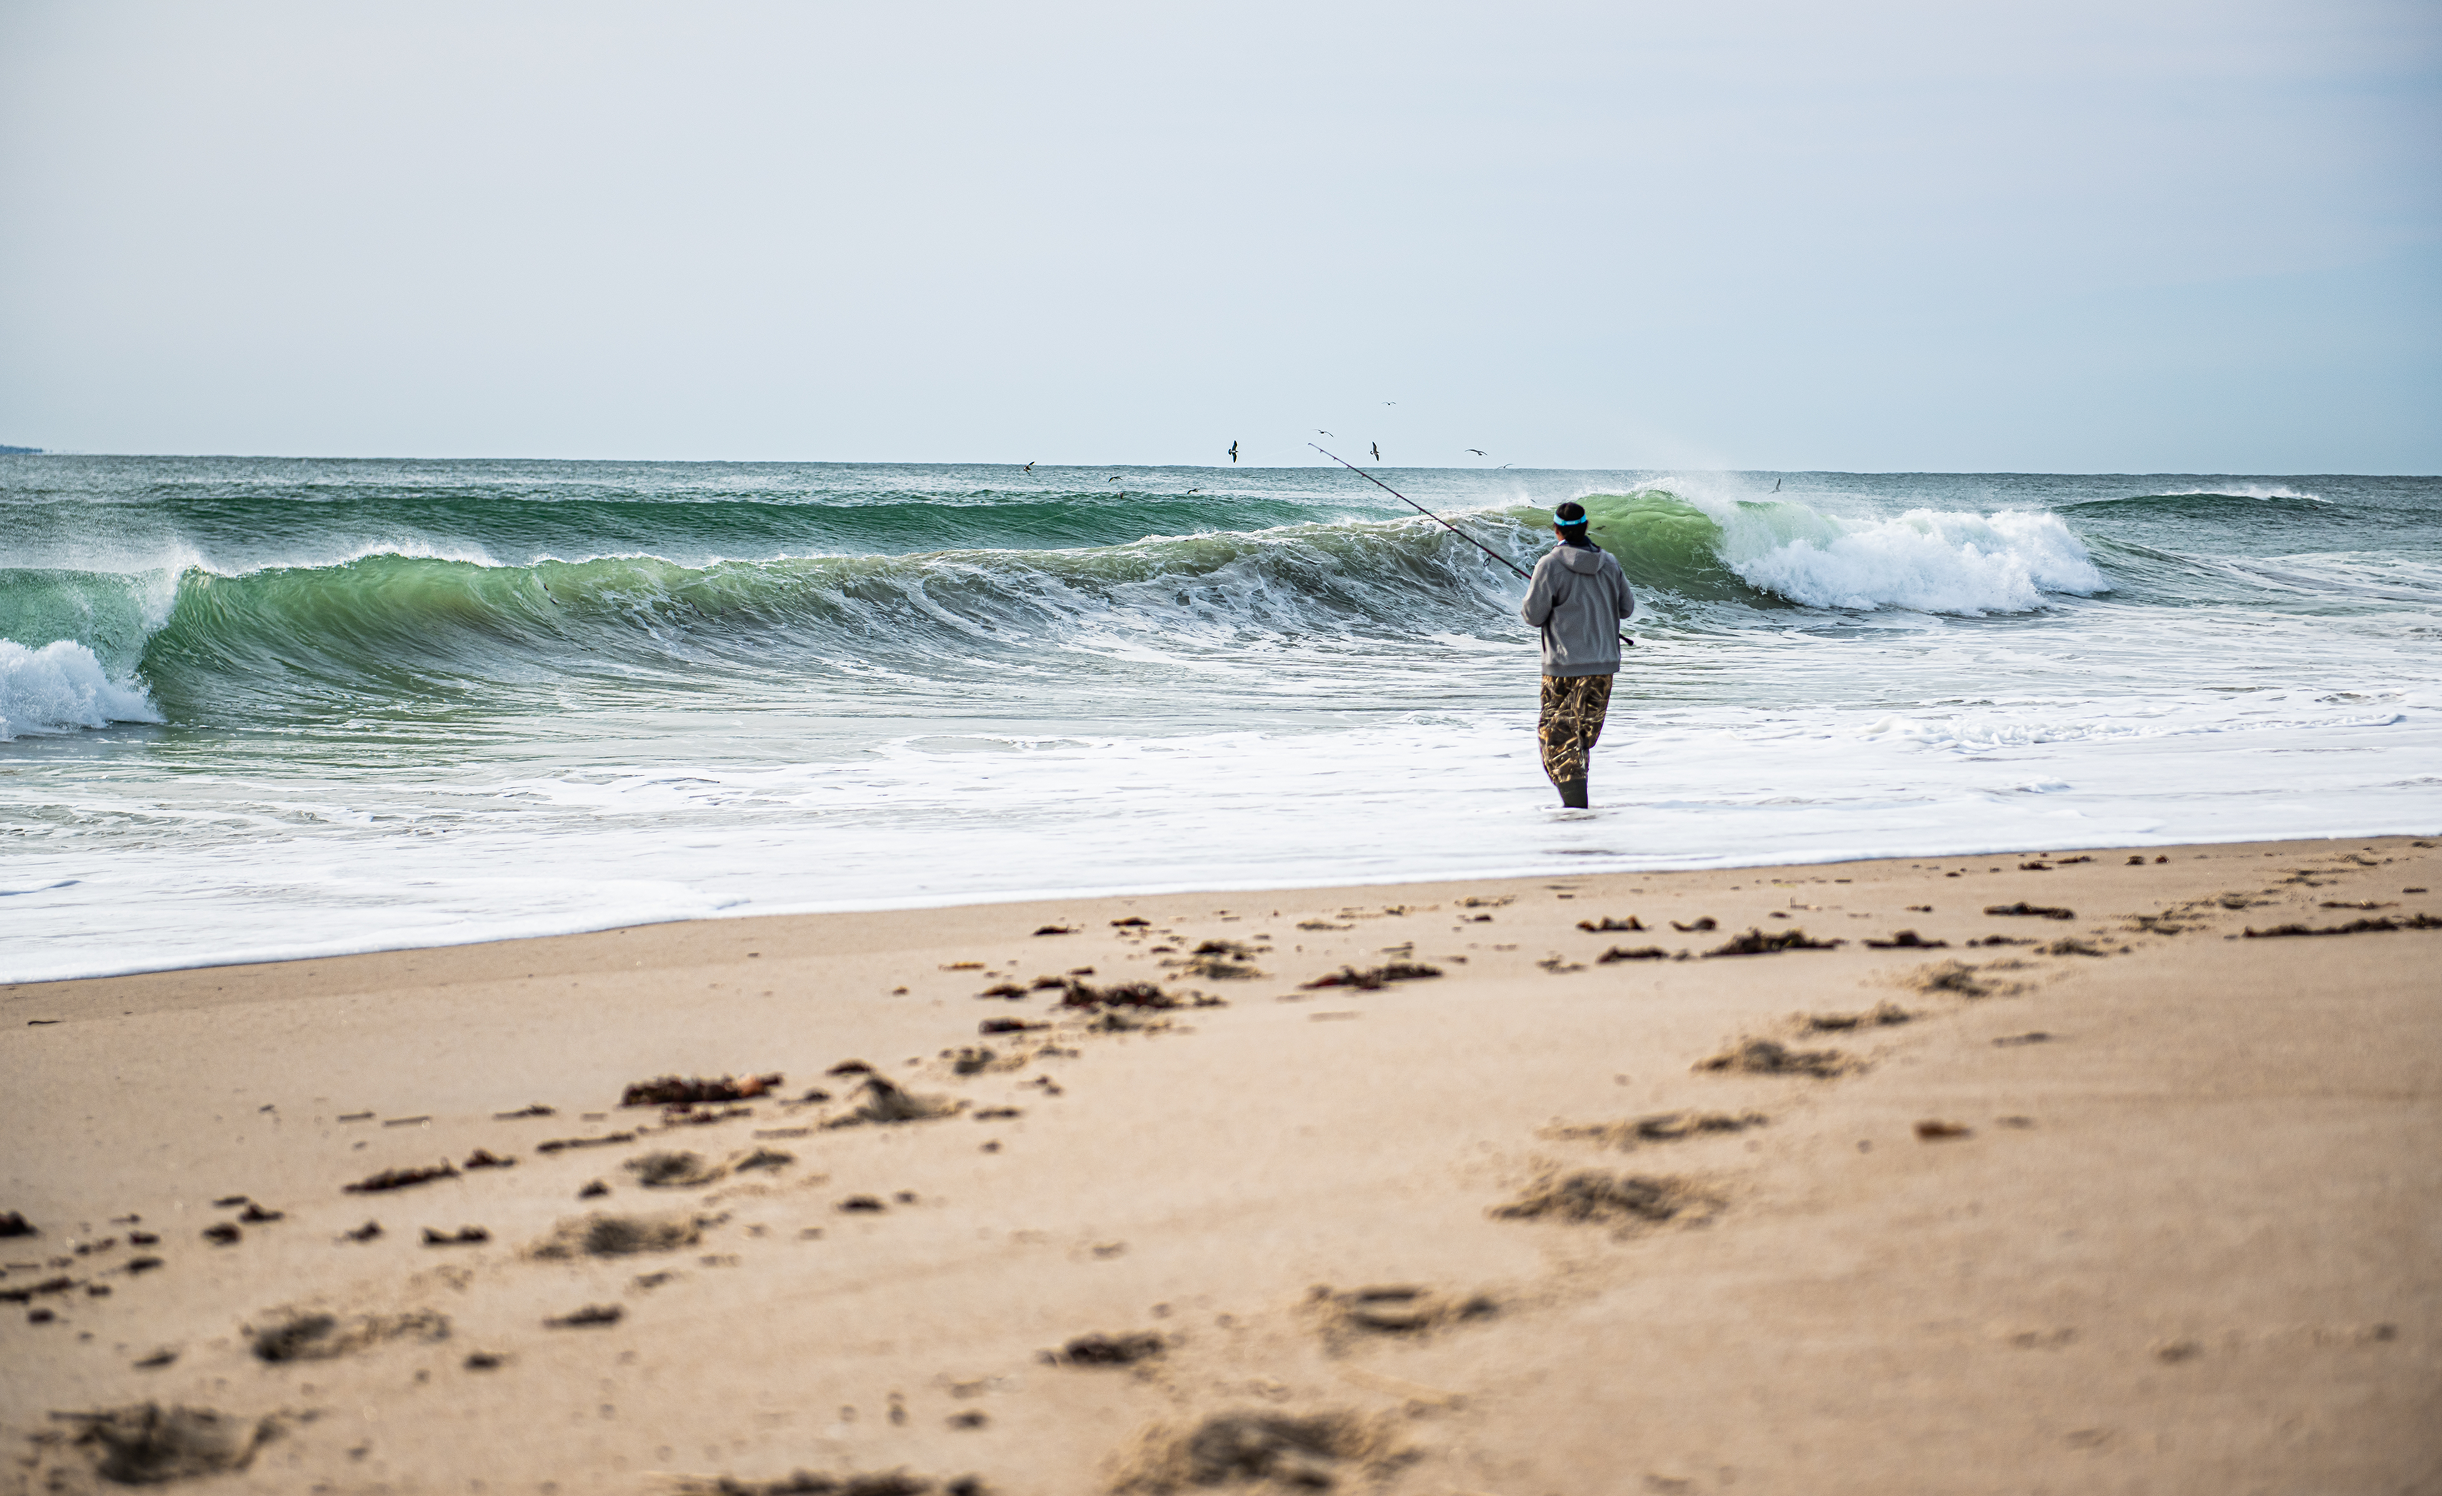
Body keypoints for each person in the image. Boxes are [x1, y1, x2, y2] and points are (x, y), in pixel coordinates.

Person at [1518, 500, 1634, 808]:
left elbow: (1532, 615)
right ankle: (1579, 811)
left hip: (1562, 667)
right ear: (1585, 527)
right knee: (1578, 739)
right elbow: (1626, 608)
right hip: (1603, 666)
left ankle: (1576, 810)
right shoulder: (1609, 563)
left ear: (1557, 530)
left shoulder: (1549, 564)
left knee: (1556, 739)